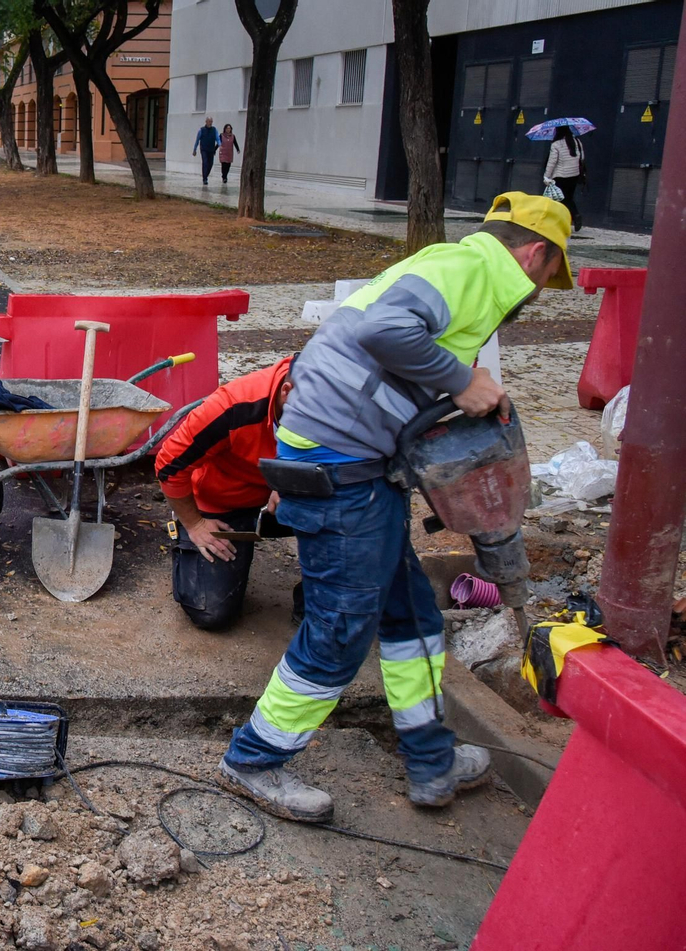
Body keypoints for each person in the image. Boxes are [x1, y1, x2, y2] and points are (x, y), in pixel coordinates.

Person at [217, 191, 574, 822]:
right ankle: (253, 760)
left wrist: (461, 394)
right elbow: (383, 331)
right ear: (536, 253)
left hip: (357, 464)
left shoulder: (460, 270)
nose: (545, 288)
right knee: (339, 630)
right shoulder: (467, 271)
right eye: (551, 274)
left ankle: (431, 759)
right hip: (339, 470)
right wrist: (464, 382)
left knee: (412, 621)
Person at [155, 356, 302, 630]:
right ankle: (188, 532)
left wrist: (291, 482)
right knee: (211, 612)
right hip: (226, 500)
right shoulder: (235, 405)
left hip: (291, 499)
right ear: (287, 392)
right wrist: (195, 524)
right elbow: (169, 465)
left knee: (362, 519)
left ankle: (317, 599)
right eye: (316, 417)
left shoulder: (342, 400)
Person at [543, 125, 585, 233]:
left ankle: (562, 220)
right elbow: (582, 158)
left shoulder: (556, 144)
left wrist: (547, 176)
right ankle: (575, 216)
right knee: (568, 198)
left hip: (560, 176)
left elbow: (552, 162)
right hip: (574, 175)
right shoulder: (577, 142)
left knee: (558, 199)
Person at [192, 117, 219, 186]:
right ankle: (205, 179)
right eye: (209, 121)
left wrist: (220, 145)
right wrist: (194, 149)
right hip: (204, 149)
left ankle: (205, 175)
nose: (210, 123)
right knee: (205, 162)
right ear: (206, 122)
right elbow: (197, 140)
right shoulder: (201, 130)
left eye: (211, 121)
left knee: (211, 164)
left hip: (211, 149)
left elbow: (217, 138)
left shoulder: (214, 130)